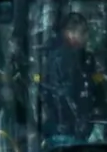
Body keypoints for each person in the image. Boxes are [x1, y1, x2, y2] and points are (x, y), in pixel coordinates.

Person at [40, 12, 96, 144]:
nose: (86, 37)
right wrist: (77, 121)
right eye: (83, 32)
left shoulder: (81, 57)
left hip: (74, 129)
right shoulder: (62, 58)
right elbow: (62, 96)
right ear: (69, 33)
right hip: (64, 131)